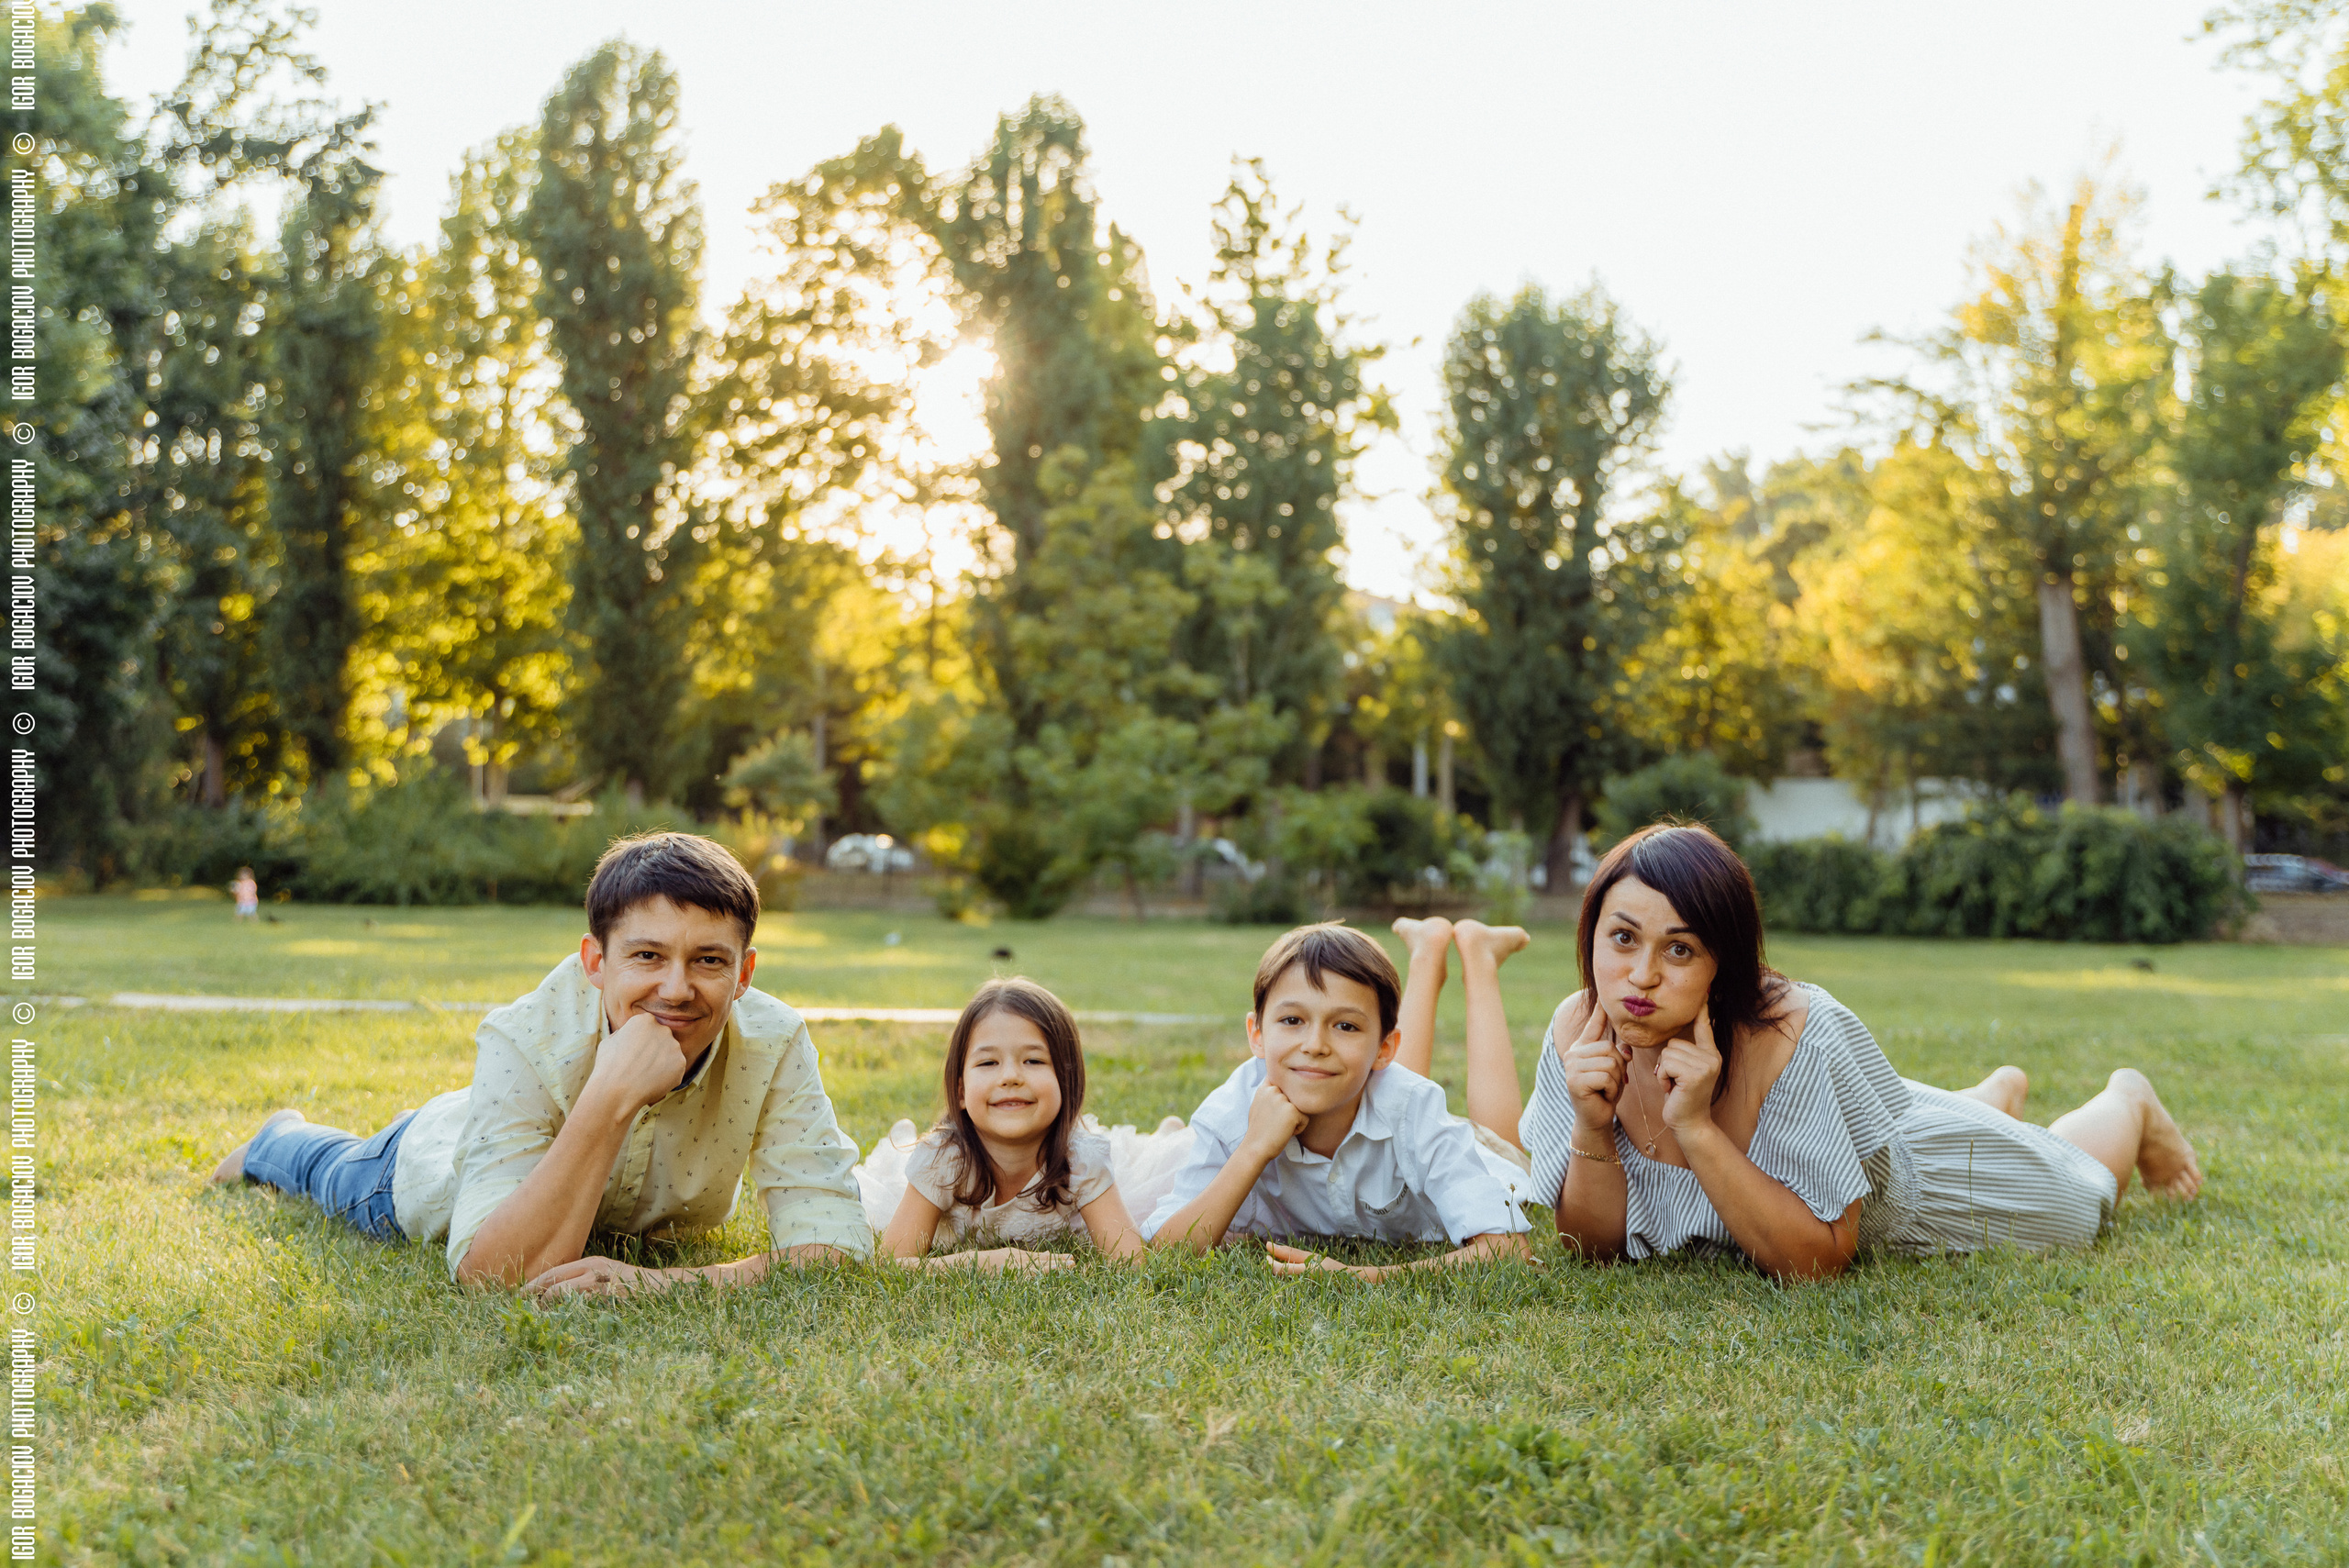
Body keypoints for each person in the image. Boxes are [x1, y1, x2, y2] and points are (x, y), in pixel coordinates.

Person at [1484, 823, 2202, 1280]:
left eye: (1680, 949)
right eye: (1622, 938)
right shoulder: (1577, 1028)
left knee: (2083, 1193)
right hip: (1862, 1122)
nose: (1640, 976)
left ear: (1723, 964)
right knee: (1930, 1116)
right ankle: (1990, 1097)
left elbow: (1818, 1262)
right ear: (1590, 935)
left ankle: (2128, 1101)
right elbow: (1592, 1253)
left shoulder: (1797, 1031)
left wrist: (1696, 1127)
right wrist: (1591, 1123)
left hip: (1931, 1192)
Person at [209, 831, 873, 1296]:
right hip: (427, 1163)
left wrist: (662, 1283)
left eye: (708, 960)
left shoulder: (776, 1041)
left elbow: (836, 1248)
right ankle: (277, 1137)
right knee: (329, 1172)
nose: (676, 989)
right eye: (647, 956)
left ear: (744, 972)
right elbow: (494, 1277)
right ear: (595, 961)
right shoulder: (524, 1034)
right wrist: (608, 1096)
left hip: (516, 1136)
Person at [1141, 922, 1534, 1278]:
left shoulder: (1414, 1109)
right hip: (1380, 1098)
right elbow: (1166, 1251)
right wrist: (1253, 1149)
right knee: (1378, 1085)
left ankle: (1479, 955)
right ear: (1256, 1034)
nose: (1315, 1045)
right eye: (1292, 1020)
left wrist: (1359, 1275)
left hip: (1475, 1150)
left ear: (1385, 1047)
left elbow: (1508, 1252)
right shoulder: (1231, 1111)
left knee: (1494, 1138)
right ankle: (1428, 949)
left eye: (1345, 1025)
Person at [853, 978, 1148, 1271]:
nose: (1010, 1077)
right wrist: (990, 1262)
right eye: (988, 1063)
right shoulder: (941, 1160)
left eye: (1033, 1061)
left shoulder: (1081, 1161)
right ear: (960, 1092)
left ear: (1066, 1082)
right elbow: (892, 1264)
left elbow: (1131, 1262)